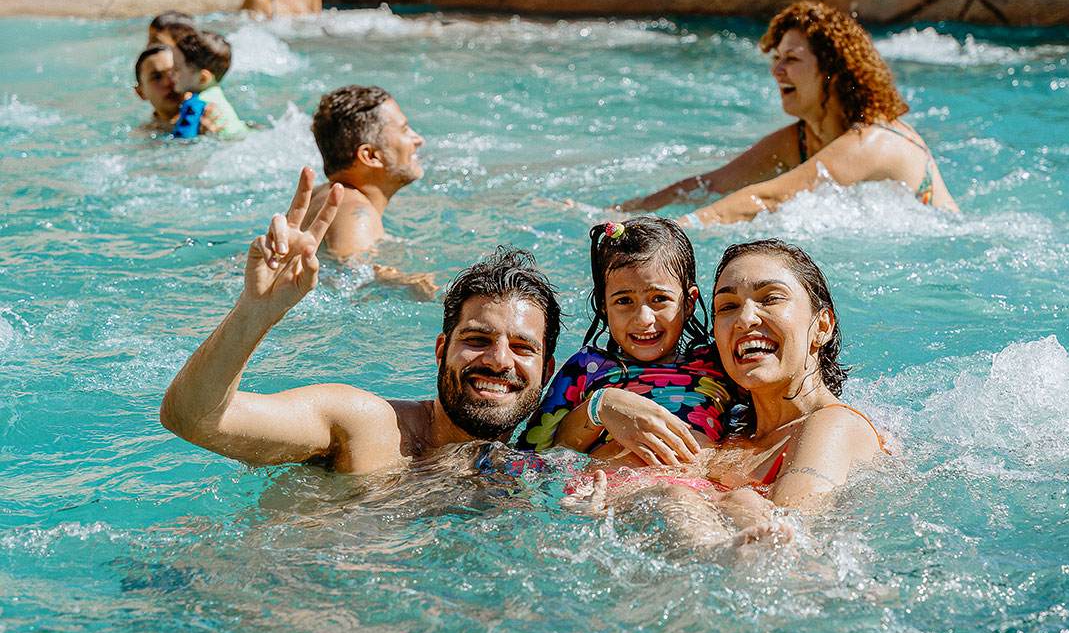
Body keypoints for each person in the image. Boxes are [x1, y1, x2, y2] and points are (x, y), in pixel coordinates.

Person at [160, 169, 561, 474]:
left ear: (547, 371)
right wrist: (254, 312)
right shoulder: (363, 425)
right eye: (477, 339)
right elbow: (194, 420)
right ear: (441, 350)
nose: (498, 360)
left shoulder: (552, 456)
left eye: (523, 347)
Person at [621, 0, 958, 222]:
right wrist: (624, 214)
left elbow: (769, 198)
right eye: (777, 58)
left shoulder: (872, 143)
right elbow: (711, 185)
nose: (777, 70)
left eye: (792, 59)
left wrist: (671, 235)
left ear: (833, 71)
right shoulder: (801, 138)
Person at [519, 217, 740, 464]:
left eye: (659, 299)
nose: (643, 319)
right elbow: (536, 450)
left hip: (695, 489)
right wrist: (596, 408)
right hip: (609, 486)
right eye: (624, 301)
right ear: (604, 307)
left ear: (688, 303)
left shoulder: (718, 364)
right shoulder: (588, 367)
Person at [705, 239, 885, 515]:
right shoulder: (728, 432)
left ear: (822, 326)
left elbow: (790, 538)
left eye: (771, 298)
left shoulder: (831, 424)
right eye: (727, 306)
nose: (744, 319)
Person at [304, 85, 426, 264]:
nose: (418, 140)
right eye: (405, 130)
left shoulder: (322, 195)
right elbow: (351, 275)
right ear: (370, 156)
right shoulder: (356, 215)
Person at [171, 29, 250, 138]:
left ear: (203, 78)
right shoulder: (216, 96)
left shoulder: (196, 104)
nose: (170, 73)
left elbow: (181, 141)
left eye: (177, 68)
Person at [133, 44, 183, 130]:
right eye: (156, 77)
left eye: (174, 71)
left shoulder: (211, 107)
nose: (168, 82)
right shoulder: (146, 137)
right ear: (141, 92)